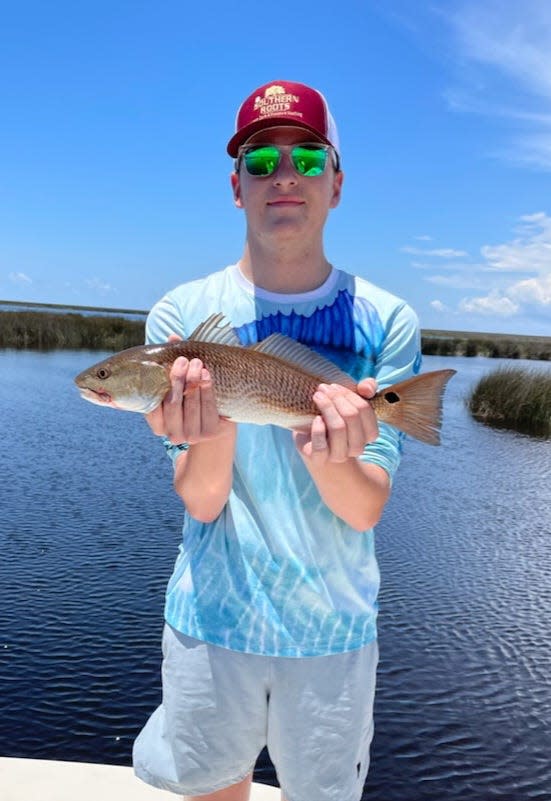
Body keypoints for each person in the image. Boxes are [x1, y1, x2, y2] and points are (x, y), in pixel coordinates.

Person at [133, 79, 421, 801]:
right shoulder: (181, 318)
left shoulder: (387, 320)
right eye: (260, 161)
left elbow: (361, 510)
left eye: (306, 158)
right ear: (237, 187)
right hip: (210, 619)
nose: (283, 174)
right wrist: (213, 424)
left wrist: (334, 452)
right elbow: (202, 501)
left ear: (336, 183)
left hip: (334, 633)